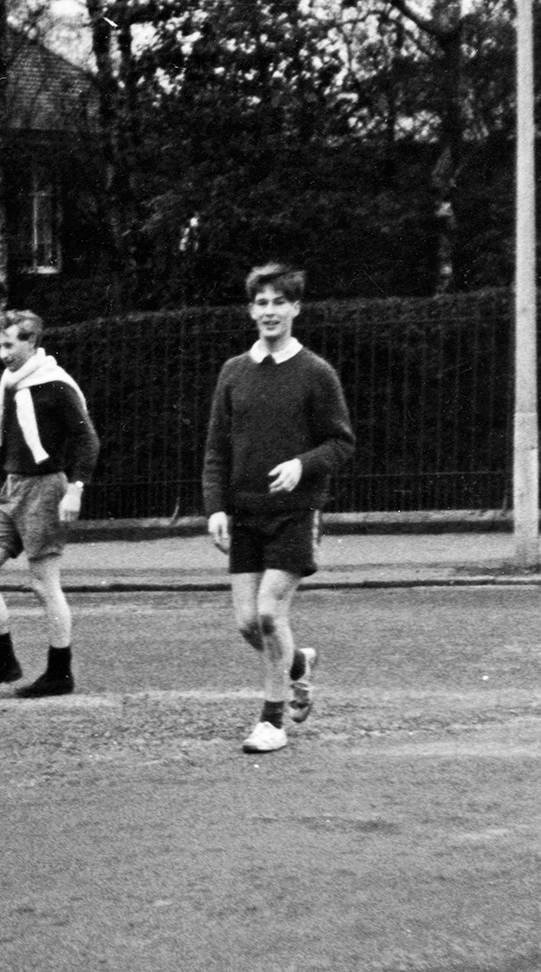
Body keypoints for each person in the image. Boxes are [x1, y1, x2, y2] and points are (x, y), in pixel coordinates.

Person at [202, 263, 355, 754]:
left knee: (270, 615)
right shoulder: (233, 372)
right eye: (261, 303)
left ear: (295, 308)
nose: (269, 311)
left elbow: (340, 442)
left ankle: (272, 721)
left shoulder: (316, 373)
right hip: (244, 513)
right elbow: (216, 449)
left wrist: (302, 465)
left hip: (295, 511)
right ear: (252, 310)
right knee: (248, 623)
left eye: (278, 302)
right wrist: (215, 507)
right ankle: (298, 666)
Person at [0, 310, 100, 699]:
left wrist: (76, 489)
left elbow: (88, 440)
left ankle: (60, 672)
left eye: (10, 344)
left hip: (46, 489)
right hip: (13, 488)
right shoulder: (11, 383)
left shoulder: (56, 385)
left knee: (44, 585)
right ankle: (3, 662)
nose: (3, 353)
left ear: (32, 342)